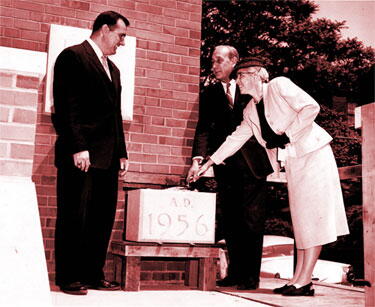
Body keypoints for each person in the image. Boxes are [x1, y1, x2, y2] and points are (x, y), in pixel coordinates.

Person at [197, 57, 350, 296]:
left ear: (258, 74)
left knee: (312, 218)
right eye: (237, 76)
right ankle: (299, 279)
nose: (238, 80)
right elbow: (235, 138)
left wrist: (288, 135)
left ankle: (304, 280)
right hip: (295, 161)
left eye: (242, 75)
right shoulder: (250, 110)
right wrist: (209, 161)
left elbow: (312, 107)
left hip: (314, 153)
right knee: (301, 220)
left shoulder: (279, 85)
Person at [52, 11, 130, 295]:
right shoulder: (72, 56)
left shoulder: (115, 70)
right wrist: (78, 146)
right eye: (121, 35)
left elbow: (115, 116)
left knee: (101, 217)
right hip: (81, 155)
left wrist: (121, 152)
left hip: (107, 157)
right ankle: (69, 277)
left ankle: (93, 274)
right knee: (75, 214)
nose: (122, 42)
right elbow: (66, 107)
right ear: (105, 29)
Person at [187, 46, 274, 290]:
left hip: (253, 164)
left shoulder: (252, 85)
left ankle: (250, 277)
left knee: (252, 220)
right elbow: (203, 128)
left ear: (233, 61)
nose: (213, 66)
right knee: (232, 220)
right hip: (224, 164)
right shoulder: (209, 93)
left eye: (218, 61)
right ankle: (235, 274)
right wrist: (198, 159)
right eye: (211, 61)